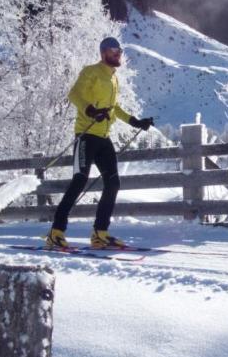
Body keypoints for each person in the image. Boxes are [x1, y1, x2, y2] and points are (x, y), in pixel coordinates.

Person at [46, 36, 154, 250]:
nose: (118, 54)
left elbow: (115, 108)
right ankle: (56, 233)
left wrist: (135, 122)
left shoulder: (113, 79)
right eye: (114, 50)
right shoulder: (91, 72)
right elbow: (74, 94)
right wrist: (91, 111)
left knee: (113, 183)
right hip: (86, 136)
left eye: (120, 51)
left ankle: (100, 233)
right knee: (79, 181)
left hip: (104, 138)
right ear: (103, 52)